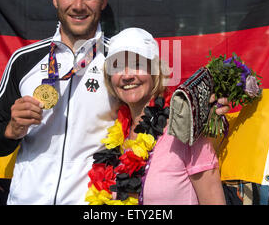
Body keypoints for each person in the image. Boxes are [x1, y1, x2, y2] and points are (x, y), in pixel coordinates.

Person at [0, 0, 229, 204]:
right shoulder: (24, 60)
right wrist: (11, 130)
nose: (78, 5)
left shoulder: (120, 61)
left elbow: (165, 106)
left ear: (103, 0)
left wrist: (209, 108)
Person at [90, 27, 227, 205]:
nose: (126, 76)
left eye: (137, 65)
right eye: (116, 67)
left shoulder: (185, 128)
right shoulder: (112, 137)